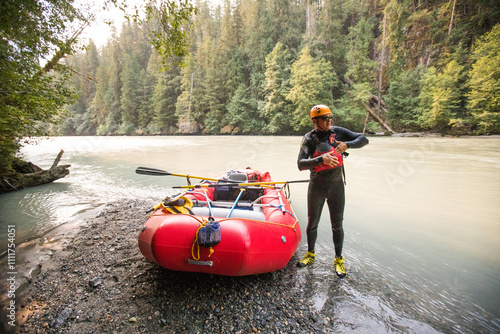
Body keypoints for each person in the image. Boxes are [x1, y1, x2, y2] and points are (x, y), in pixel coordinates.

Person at [296, 104, 369, 278]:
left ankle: (338, 260)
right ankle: (311, 254)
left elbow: (364, 139)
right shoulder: (308, 139)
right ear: (315, 121)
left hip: (336, 186)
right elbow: (300, 164)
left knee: (337, 225)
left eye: (330, 118)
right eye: (325, 118)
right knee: (312, 223)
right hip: (316, 186)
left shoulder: (338, 133)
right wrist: (321, 159)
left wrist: (347, 145)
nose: (329, 121)